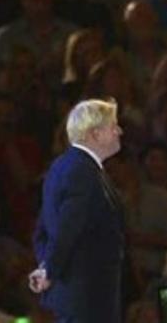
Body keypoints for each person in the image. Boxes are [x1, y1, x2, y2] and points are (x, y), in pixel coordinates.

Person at [30, 98, 125, 322]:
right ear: (94, 134)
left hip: (81, 294)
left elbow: (42, 231)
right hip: (86, 297)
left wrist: (47, 267)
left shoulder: (64, 166)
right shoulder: (82, 172)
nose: (119, 131)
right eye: (113, 126)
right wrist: (50, 271)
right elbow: (67, 228)